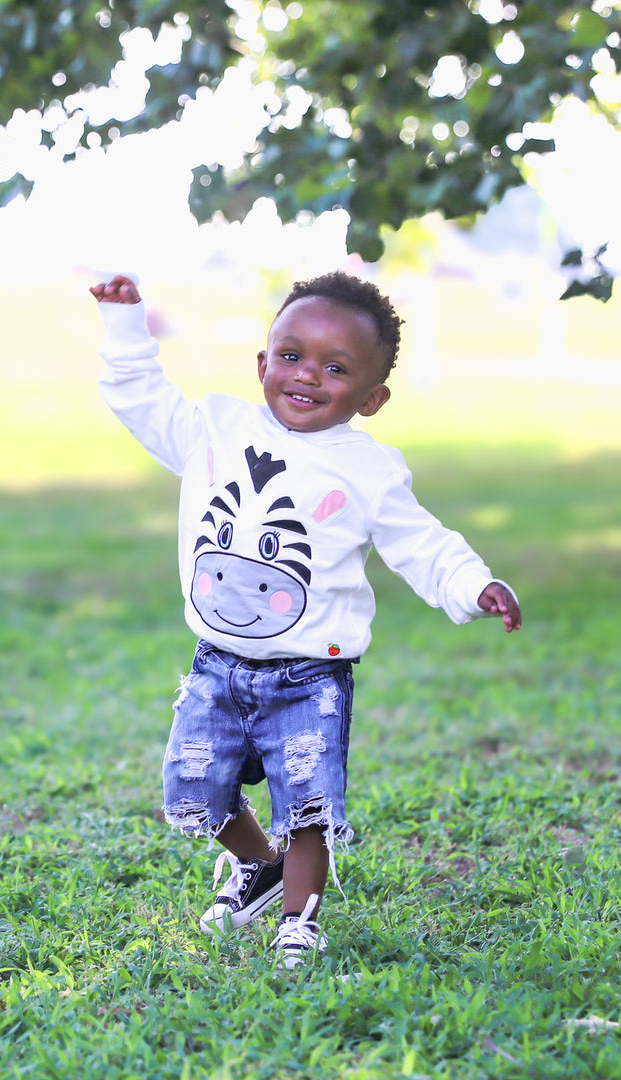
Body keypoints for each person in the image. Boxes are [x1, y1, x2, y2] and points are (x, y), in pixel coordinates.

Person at [90, 270, 521, 968]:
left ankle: (299, 920)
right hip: (216, 662)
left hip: (309, 673)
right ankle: (256, 863)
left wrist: (475, 583)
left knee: (308, 804)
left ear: (372, 397)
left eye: (335, 367)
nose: (306, 376)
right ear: (262, 362)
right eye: (290, 355)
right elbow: (139, 398)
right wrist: (123, 323)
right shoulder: (213, 431)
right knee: (195, 787)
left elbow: (421, 541)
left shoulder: (369, 469)